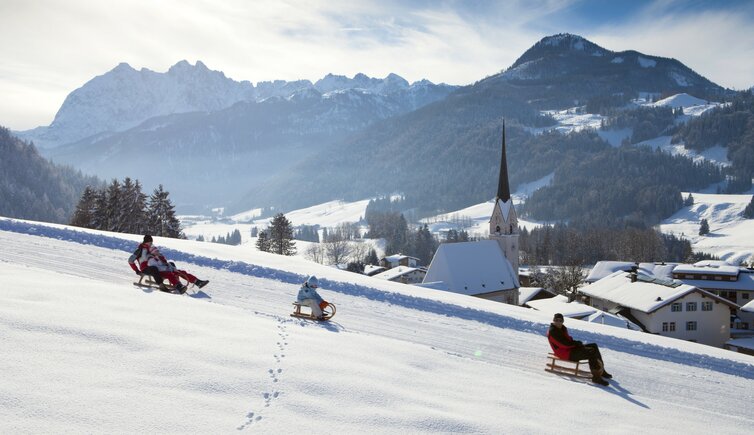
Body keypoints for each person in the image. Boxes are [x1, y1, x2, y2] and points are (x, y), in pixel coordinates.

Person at [547, 313, 613, 386]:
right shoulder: (553, 331)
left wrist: (576, 344)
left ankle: (601, 370)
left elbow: (567, 340)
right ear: (553, 320)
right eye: (556, 320)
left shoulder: (561, 328)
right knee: (591, 351)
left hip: (569, 349)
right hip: (565, 354)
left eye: (560, 320)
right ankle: (596, 377)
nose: (558, 322)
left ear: (562, 321)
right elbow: (564, 344)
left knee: (594, 345)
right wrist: (576, 344)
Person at [128, 235, 208, 293]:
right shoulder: (140, 250)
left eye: (151, 242)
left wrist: (163, 261)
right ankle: (178, 286)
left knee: (176, 269)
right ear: (146, 242)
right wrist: (137, 271)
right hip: (146, 268)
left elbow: (160, 257)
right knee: (168, 273)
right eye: (149, 242)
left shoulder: (152, 249)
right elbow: (130, 260)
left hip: (157, 267)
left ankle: (197, 282)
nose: (151, 244)